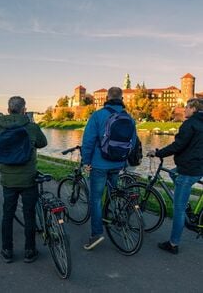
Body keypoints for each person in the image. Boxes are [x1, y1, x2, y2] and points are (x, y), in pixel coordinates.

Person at [0, 96, 47, 264]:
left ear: (8, 109)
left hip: (8, 179)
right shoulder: (31, 126)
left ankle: (7, 250)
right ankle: (29, 251)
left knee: (7, 214)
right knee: (29, 215)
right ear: (24, 109)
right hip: (28, 178)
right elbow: (43, 143)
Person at [81, 87, 136, 250]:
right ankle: (115, 219)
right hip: (118, 163)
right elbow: (132, 142)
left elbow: (89, 141)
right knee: (113, 194)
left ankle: (96, 234)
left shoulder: (98, 115)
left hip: (99, 163)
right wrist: (122, 159)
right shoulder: (129, 118)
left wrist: (86, 161)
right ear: (121, 98)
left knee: (96, 199)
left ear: (106, 97)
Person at [147, 98, 203, 254]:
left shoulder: (190, 124)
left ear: (193, 108)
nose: (184, 110)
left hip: (188, 170)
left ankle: (173, 244)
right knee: (173, 173)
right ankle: (187, 207)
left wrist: (158, 153)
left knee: (178, 211)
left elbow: (177, 145)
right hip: (197, 167)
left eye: (186, 107)